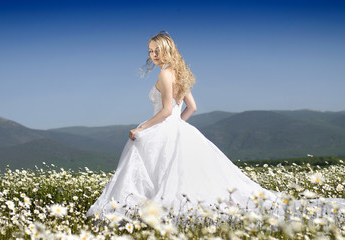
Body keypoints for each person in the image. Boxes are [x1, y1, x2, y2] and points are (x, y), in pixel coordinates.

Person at [86, 31, 345, 220]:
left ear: (167, 50)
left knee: (140, 159)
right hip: (179, 129)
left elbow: (166, 110)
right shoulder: (179, 73)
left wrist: (143, 129)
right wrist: (176, 127)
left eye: (156, 50)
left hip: (165, 126)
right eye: (149, 51)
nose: (152, 55)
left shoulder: (165, 74)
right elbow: (191, 108)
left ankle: (132, 207)